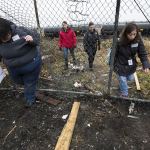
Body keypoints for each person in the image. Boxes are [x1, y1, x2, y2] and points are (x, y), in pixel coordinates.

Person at [0, 18, 42, 107]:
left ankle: (30, 100)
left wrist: (32, 40)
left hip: (31, 64)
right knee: (19, 82)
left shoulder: (21, 31)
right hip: (13, 68)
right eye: (2, 37)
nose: (6, 38)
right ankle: (28, 87)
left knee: (29, 82)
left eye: (7, 34)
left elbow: (37, 39)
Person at [114, 22, 150, 97]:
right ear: (126, 33)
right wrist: (114, 65)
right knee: (123, 79)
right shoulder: (119, 41)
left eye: (134, 34)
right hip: (120, 64)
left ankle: (122, 84)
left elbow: (142, 53)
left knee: (130, 78)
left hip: (131, 64)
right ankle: (124, 94)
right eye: (130, 34)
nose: (132, 36)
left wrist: (145, 65)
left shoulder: (138, 40)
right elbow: (114, 54)